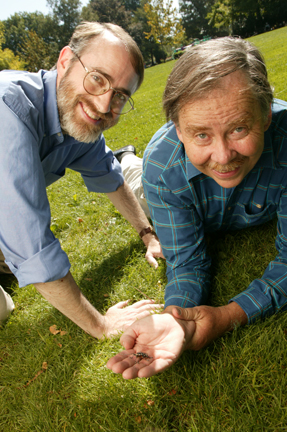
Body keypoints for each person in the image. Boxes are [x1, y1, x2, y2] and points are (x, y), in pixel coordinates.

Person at [107, 36, 287, 378]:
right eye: (201, 135)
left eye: (238, 128)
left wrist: (228, 316)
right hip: (159, 185)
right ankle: (127, 157)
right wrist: (175, 319)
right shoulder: (163, 167)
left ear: (265, 115)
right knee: (136, 180)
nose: (223, 157)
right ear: (178, 130)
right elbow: (187, 260)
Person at [0, 21, 164, 335]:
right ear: (65, 61)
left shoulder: (74, 118)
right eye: (97, 79)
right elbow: (30, 243)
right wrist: (101, 325)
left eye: (119, 96)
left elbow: (110, 176)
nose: (104, 104)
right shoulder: (9, 108)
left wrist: (147, 234)